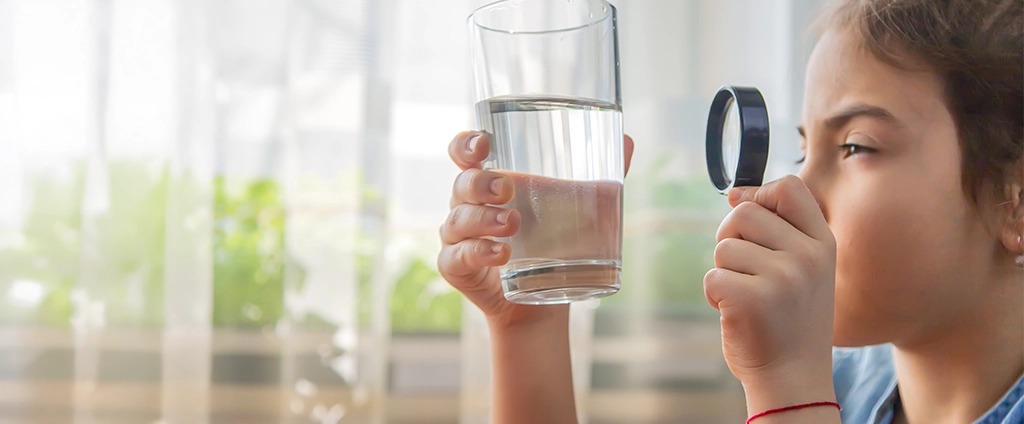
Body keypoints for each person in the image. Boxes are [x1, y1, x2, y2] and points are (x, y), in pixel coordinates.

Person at [436, 0, 1024, 422]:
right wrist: (529, 330)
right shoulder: (842, 384)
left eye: (855, 146)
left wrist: (790, 392)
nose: (795, 189)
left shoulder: (811, 381)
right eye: (802, 148)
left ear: (1015, 203)